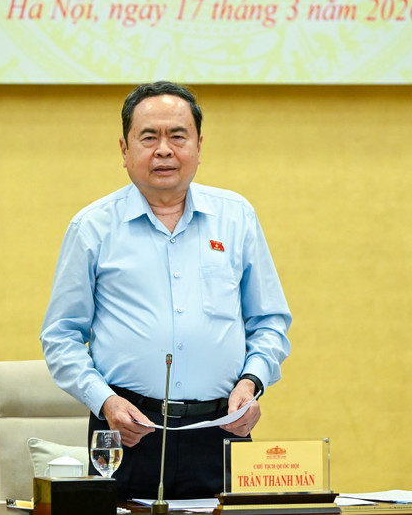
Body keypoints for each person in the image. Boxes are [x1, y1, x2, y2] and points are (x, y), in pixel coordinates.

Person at [40, 81, 292, 499]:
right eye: (148, 137)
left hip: (220, 431)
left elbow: (269, 322)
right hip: (126, 432)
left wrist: (251, 383)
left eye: (178, 136)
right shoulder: (93, 228)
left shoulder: (236, 218)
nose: (163, 150)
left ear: (198, 145)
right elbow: (61, 336)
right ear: (124, 150)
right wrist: (105, 402)